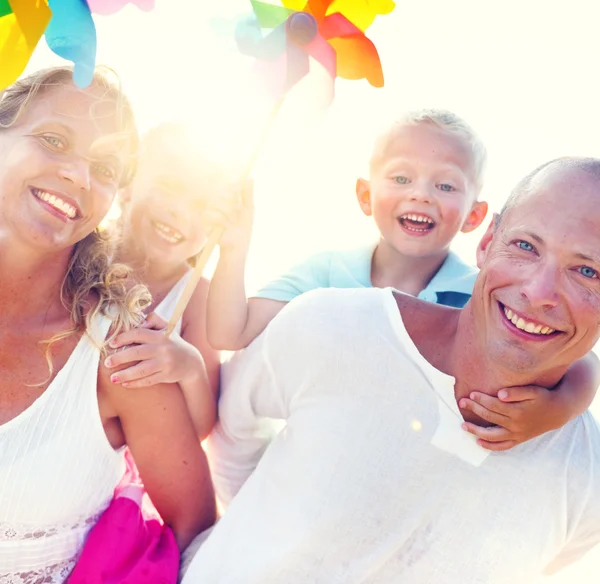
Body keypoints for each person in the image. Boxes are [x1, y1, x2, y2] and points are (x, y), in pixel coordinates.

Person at [182, 157, 600, 583]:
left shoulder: (588, 480)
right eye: (526, 246)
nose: (538, 291)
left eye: (587, 271)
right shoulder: (332, 325)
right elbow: (233, 430)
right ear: (488, 241)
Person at [205, 109, 598, 449]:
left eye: (444, 185)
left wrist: (558, 409)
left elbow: (582, 360)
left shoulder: (480, 297)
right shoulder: (325, 278)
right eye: (400, 178)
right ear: (365, 194)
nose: (421, 195)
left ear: (474, 218)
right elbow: (229, 332)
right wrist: (234, 248)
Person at [0, 67, 215, 583]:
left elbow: (196, 529)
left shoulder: (117, 349)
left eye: (105, 167)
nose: (78, 175)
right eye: (54, 140)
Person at [101, 122, 221, 439]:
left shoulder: (197, 297)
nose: (181, 212)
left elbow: (198, 429)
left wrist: (190, 368)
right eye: (169, 186)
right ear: (128, 183)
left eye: (202, 206)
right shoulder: (81, 252)